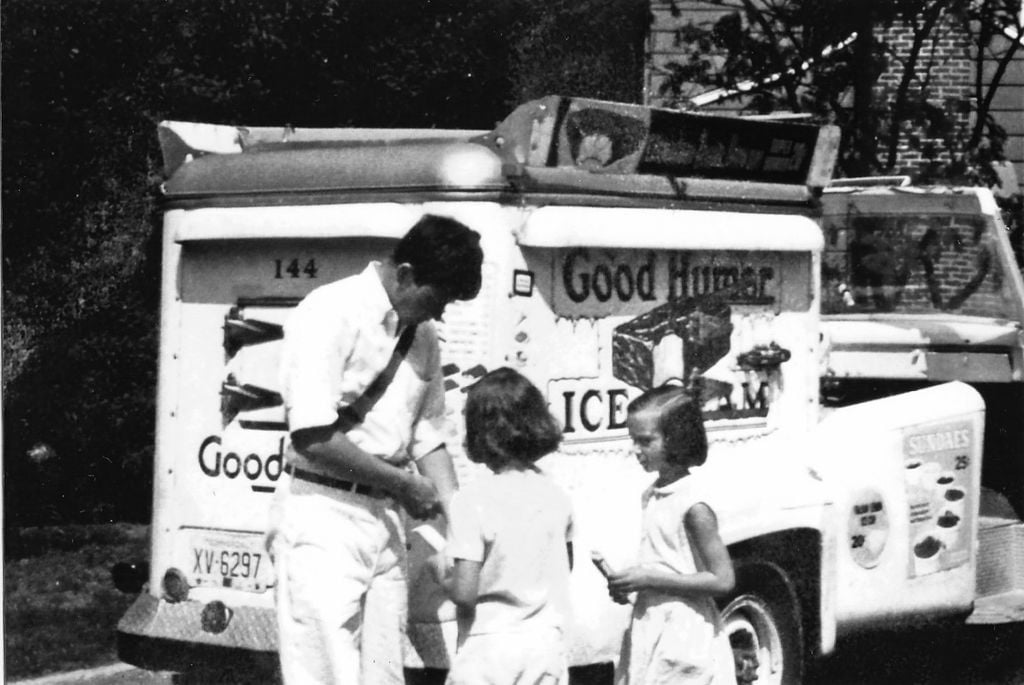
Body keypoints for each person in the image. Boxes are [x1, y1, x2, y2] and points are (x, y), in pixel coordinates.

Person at [267, 214, 484, 684]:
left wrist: (462, 524)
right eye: (436, 298)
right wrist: (405, 484)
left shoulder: (422, 334)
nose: (440, 313)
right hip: (323, 513)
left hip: (385, 519)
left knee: (383, 672)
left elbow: (428, 436)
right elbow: (312, 434)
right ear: (406, 273)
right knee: (323, 671)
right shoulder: (330, 311)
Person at [437, 367, 574, 685]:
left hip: (489, 644)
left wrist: (441, 574)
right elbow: (564, 568)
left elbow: (465, 594)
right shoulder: (557, 496)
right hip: (546, 643)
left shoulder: (472, 500)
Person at [607, 385, 737, 685]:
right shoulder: (651, 495)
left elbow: (723, 579)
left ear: (677, 439)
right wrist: (631, 585)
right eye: (633, 441)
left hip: (684, 634)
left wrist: (650, 579)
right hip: (651, 626)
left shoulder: (694, 505)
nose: (636, 450)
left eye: (645, 441)